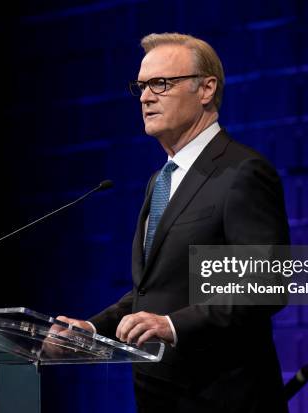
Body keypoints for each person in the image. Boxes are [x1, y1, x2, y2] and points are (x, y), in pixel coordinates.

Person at [58, 33, 290, 413]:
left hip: (222, 397)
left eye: (161, 84)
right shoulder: (161, 180)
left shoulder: (242, 172)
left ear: (206, 89)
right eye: (141, 86)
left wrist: (173, 325)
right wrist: (90, 330)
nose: (146, 97)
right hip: (161, 396)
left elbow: (266, 285)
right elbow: (154, 292)